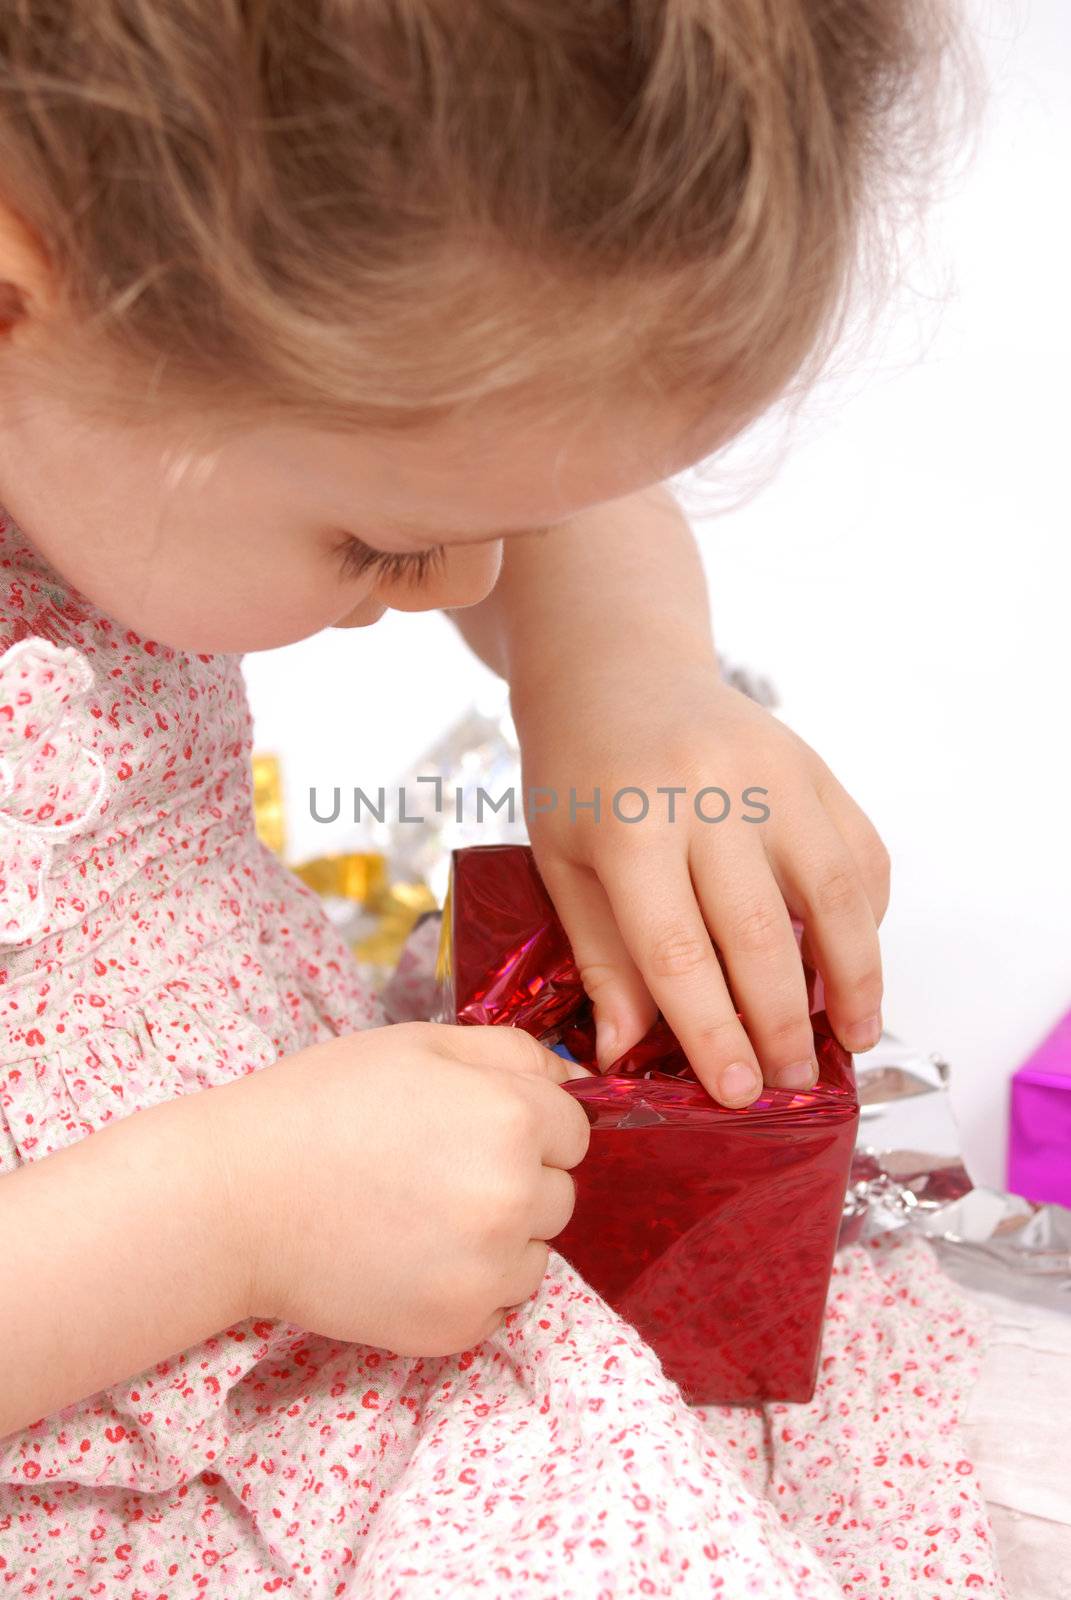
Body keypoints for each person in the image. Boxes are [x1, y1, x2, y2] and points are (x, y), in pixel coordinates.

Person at [0, 4, 969, 1593]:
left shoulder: (101, 369)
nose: (473, 575)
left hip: (347, 1212)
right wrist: (227, 1215)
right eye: (383, 541)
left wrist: (630, 679)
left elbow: (514, 452)